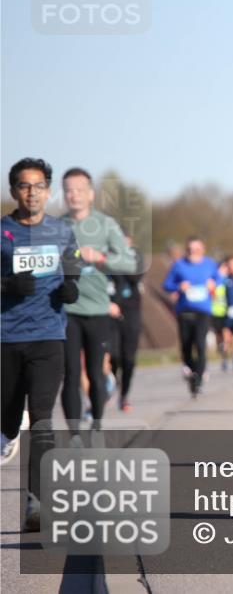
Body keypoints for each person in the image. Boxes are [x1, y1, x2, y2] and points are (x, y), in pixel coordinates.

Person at [2, 158, 82, 532]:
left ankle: (37, 503)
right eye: (23, 185)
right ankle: (6, 430)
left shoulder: (62, 232)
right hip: (6, 337)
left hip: (49, 336)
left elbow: (73, 267)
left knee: (43, 419)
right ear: (14, 190)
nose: (31, 192)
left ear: (48, 191)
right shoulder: (2, 232)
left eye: (38, 186)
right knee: (7, 417)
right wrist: (6, 287)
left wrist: (71, 288)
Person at [60, 168, 138, 430]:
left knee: (95, 372)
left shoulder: (106, 225)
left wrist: (101, 259)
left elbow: (130, 262)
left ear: (90, 194)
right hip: (67, 310)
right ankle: (73, 433)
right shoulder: (56, 227)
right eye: (69, 190)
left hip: (98, 310)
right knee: (71, 374)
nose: (74, 195)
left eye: (80, 190)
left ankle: (96, 425)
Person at [162, 237, 220, 397]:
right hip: (184, 310)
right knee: (186, 345)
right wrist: (178, 286)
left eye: (197, 249)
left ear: (203, 249)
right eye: (190, 249)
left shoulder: (209, 264)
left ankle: (199, 378)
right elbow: (166, 285)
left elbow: (219, 279)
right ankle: (193, 371)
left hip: (203, 310)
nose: (193, 252)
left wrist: (213, 284)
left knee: (200, 344)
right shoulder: (179, 265)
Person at [108, 236, 144, 412]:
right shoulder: (105, 257)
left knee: (129, 359)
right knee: (113, 355)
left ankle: (124, 396)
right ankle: (114, 379)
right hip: (109, 312)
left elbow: (136, 277)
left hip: (131, 313)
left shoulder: (135, 256)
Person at [211, 262, 229, 367]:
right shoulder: (214, 281)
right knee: (218, 334)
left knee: (226, 333)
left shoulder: (228, 280)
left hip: (226, 311)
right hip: (215, 311)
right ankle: (222, 350)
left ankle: (225, 355)